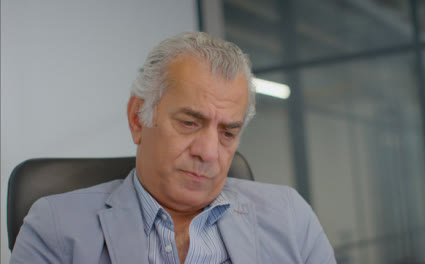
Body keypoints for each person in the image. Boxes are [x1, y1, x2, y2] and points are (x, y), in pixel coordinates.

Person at [10, 32, 336, 264]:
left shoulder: (290, 217)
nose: (208, 153)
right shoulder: (54, 227)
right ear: (138, 118)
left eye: (228, 132)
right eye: (189, 123)